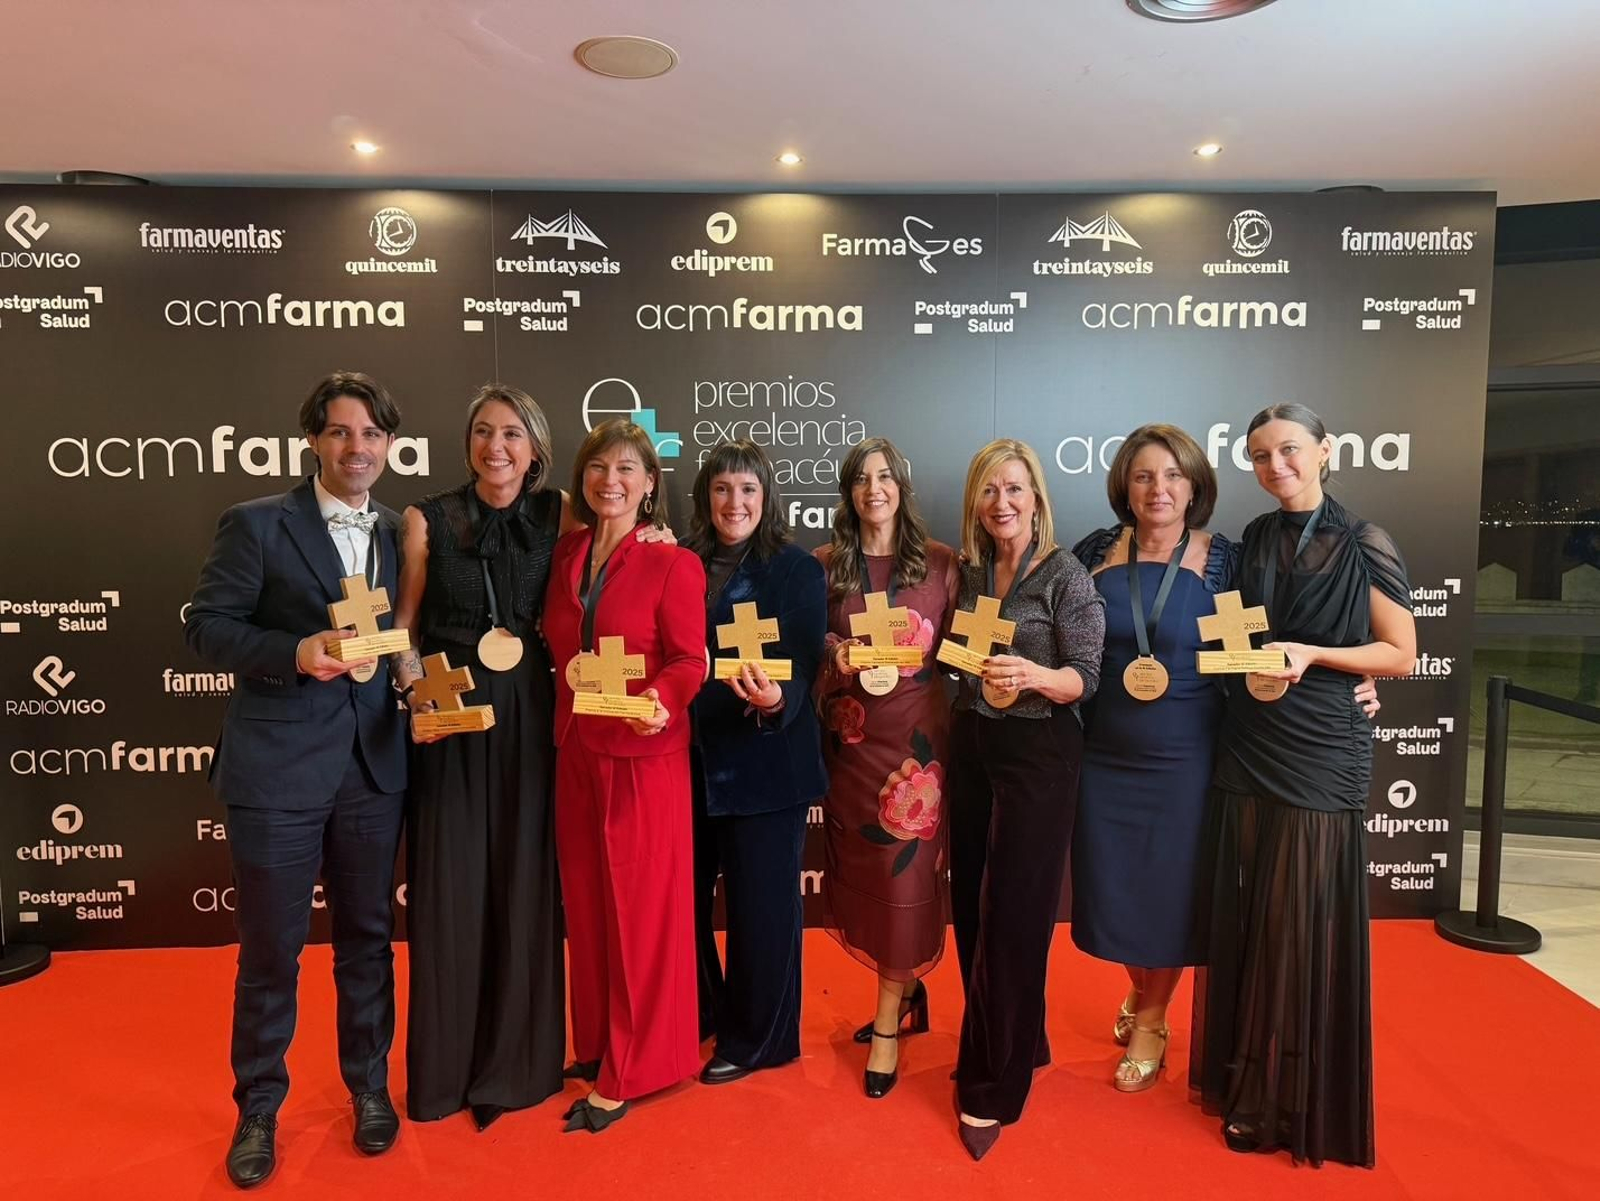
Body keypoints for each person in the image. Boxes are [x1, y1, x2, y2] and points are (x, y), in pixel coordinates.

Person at [1072, 425, 1384, 1096]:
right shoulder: (1095, 550)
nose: (1160, 489)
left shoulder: (1227, 561)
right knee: (1114, 888)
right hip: (1103, 753)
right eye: (1144, 476)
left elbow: (1290, 634)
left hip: (1188, 754)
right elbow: (1061, 632)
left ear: (1195, 486)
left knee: (1168, 893)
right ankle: (1140, 987)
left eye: (1174, 476)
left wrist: (1356, 674)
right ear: (1124, 486)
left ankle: (1152, 1018)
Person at [185, 371, 408, 1188]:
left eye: (373, 435)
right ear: (313, 439)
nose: (358, 448)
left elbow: (400, 637)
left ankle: (370, 1087)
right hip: (276, 770)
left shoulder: (397, 530)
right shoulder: (256, 524)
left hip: (373, 768)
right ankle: (258, 1108)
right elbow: (207, 627)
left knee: (369, 944)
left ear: (390, 444)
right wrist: (294, 653)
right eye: (342, 432)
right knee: (272, 953)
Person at [1190, 403, 1416, 1168]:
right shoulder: (1252, 539)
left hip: (1321, 747)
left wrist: (1315, 658)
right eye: (1258, 454)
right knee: (1252, 914)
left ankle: (1290, 1100)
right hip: (1248, 739)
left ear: (1324, 450)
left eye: (1288, 449)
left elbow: (1399, 653)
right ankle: (1246, 1084)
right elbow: (1239, 636)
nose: (1273, 464)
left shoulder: (1365, 541)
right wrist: (1245, 659)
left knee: (1298, 922)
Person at [386, 385, 569, 1132]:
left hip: (530, 707)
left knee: (524, 876)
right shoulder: (426, 517)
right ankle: (446, 1074)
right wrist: (413, 695)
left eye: (513, 435)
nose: (498, 446)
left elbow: (620, 549)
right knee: (451, 885)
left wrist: (653, 536)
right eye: (485, 432)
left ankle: (517, 1066)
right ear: (468, 442)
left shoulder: (561, 513)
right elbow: (402, 626)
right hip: (451, 706)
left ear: (535, 450)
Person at [542, 419, 708, 1133]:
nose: (611, 480)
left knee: (642, 914)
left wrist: (661, 703)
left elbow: (689, 660)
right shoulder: (567, 551)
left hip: (643, 758)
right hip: (577, 748)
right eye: (599, 468)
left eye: (627, 470)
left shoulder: (674, 563)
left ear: (650, 485)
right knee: (588, 905)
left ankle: (638, 1065)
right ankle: (602, 1042)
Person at [946, 439, 1105, 1160]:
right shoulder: (974, 571)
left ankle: (990, 1085)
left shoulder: (1066, 573)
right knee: (972, 911)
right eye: (988, 491)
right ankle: (1022, 1037)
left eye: (1014, 489)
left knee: (1013, 916)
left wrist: (1032, 675)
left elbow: (1085, 677)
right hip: (975, 744)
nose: (1001, 503)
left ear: (1036, 496)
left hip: (1041, 754)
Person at [814, 437, 959, 1098]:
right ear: (848, 492)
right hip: (851, 750)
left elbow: (967, 652)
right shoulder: (824, 568)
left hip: (916, 754)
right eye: (861, 479)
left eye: (885, 477)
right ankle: (906, 991)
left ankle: (887, 1023)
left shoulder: (941, 566)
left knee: (905, 886)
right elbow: (801, 646)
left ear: (902, 486)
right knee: (868, 880)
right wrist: (831, 651)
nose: (874, 489)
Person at [684, 441, 827, 1086]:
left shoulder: (794, 568)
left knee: (761, 911)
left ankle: (760, 1040)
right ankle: (702, 1012)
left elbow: (803, 662)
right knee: (678, 905)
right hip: (684, 760)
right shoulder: (679, 561)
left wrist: (778, 698)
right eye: (721, 489)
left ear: (766, 497)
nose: (733, 503)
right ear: (704, 497)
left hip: (766, 761)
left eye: (746, 489)